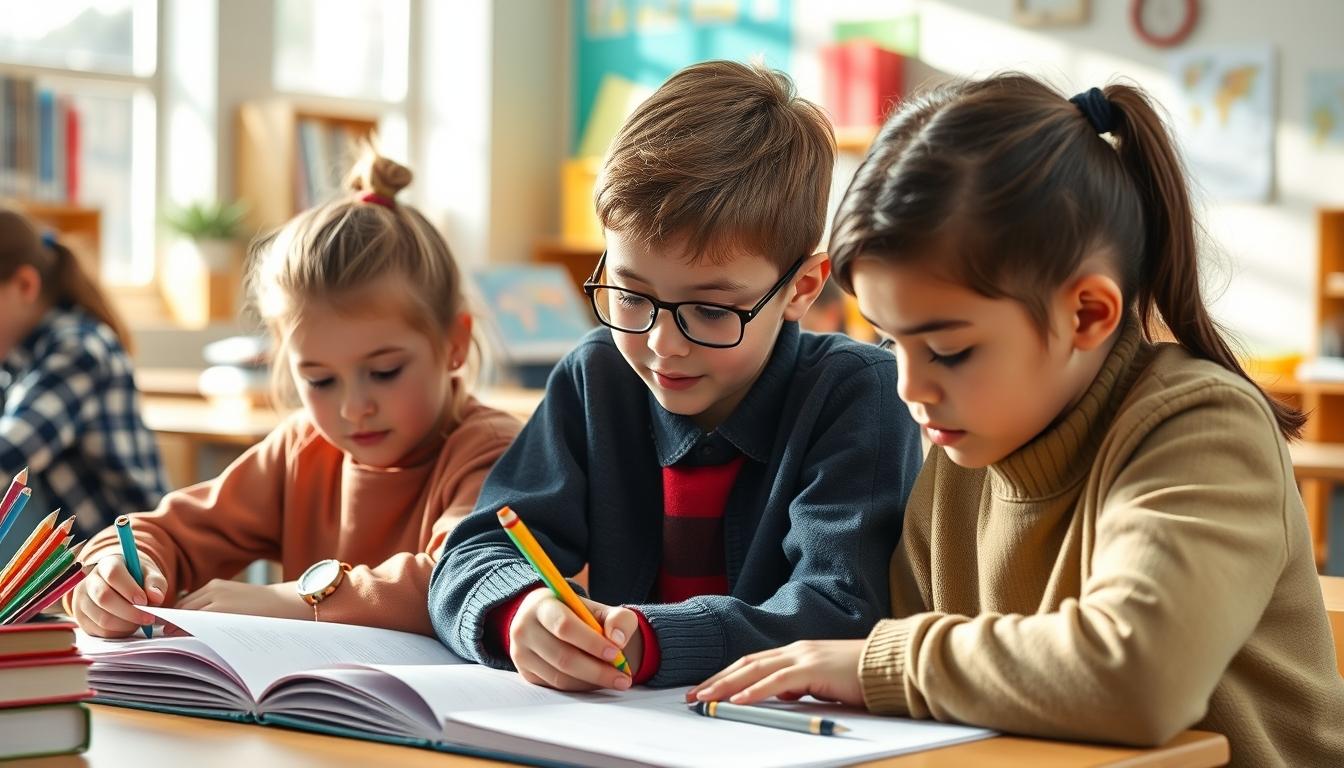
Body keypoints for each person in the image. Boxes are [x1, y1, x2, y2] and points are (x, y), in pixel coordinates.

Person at [688, 75, 1344, 766]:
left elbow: (1138, 675)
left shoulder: (1204, 428)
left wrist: (878, 663)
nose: (910, 388)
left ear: (1087, 314)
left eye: (948, 350)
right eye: (889, 340)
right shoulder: (961, 455)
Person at [429, 60, 924, 691]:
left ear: (801, 288)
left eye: (711, 311)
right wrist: (517, 613)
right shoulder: (598, 376)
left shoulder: (859, 392)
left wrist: (658, 641)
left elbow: (841, 611)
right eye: (630, 296)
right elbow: (471, 555)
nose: (662, 345)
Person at [68, 150, 521, 637]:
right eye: (320, 380)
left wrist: (292, 601)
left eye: (385, 371)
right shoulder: (302, 449)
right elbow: (170, 533)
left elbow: (461, 581)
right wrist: (110, 574)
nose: (354, 408)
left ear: (454, 343)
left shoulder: (494, 450)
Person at [0, 208, 166, 543]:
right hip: (69, 561)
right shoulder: (15, 357)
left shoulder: (79, 349)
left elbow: (8, 456)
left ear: (25, 285)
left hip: (126, 557)